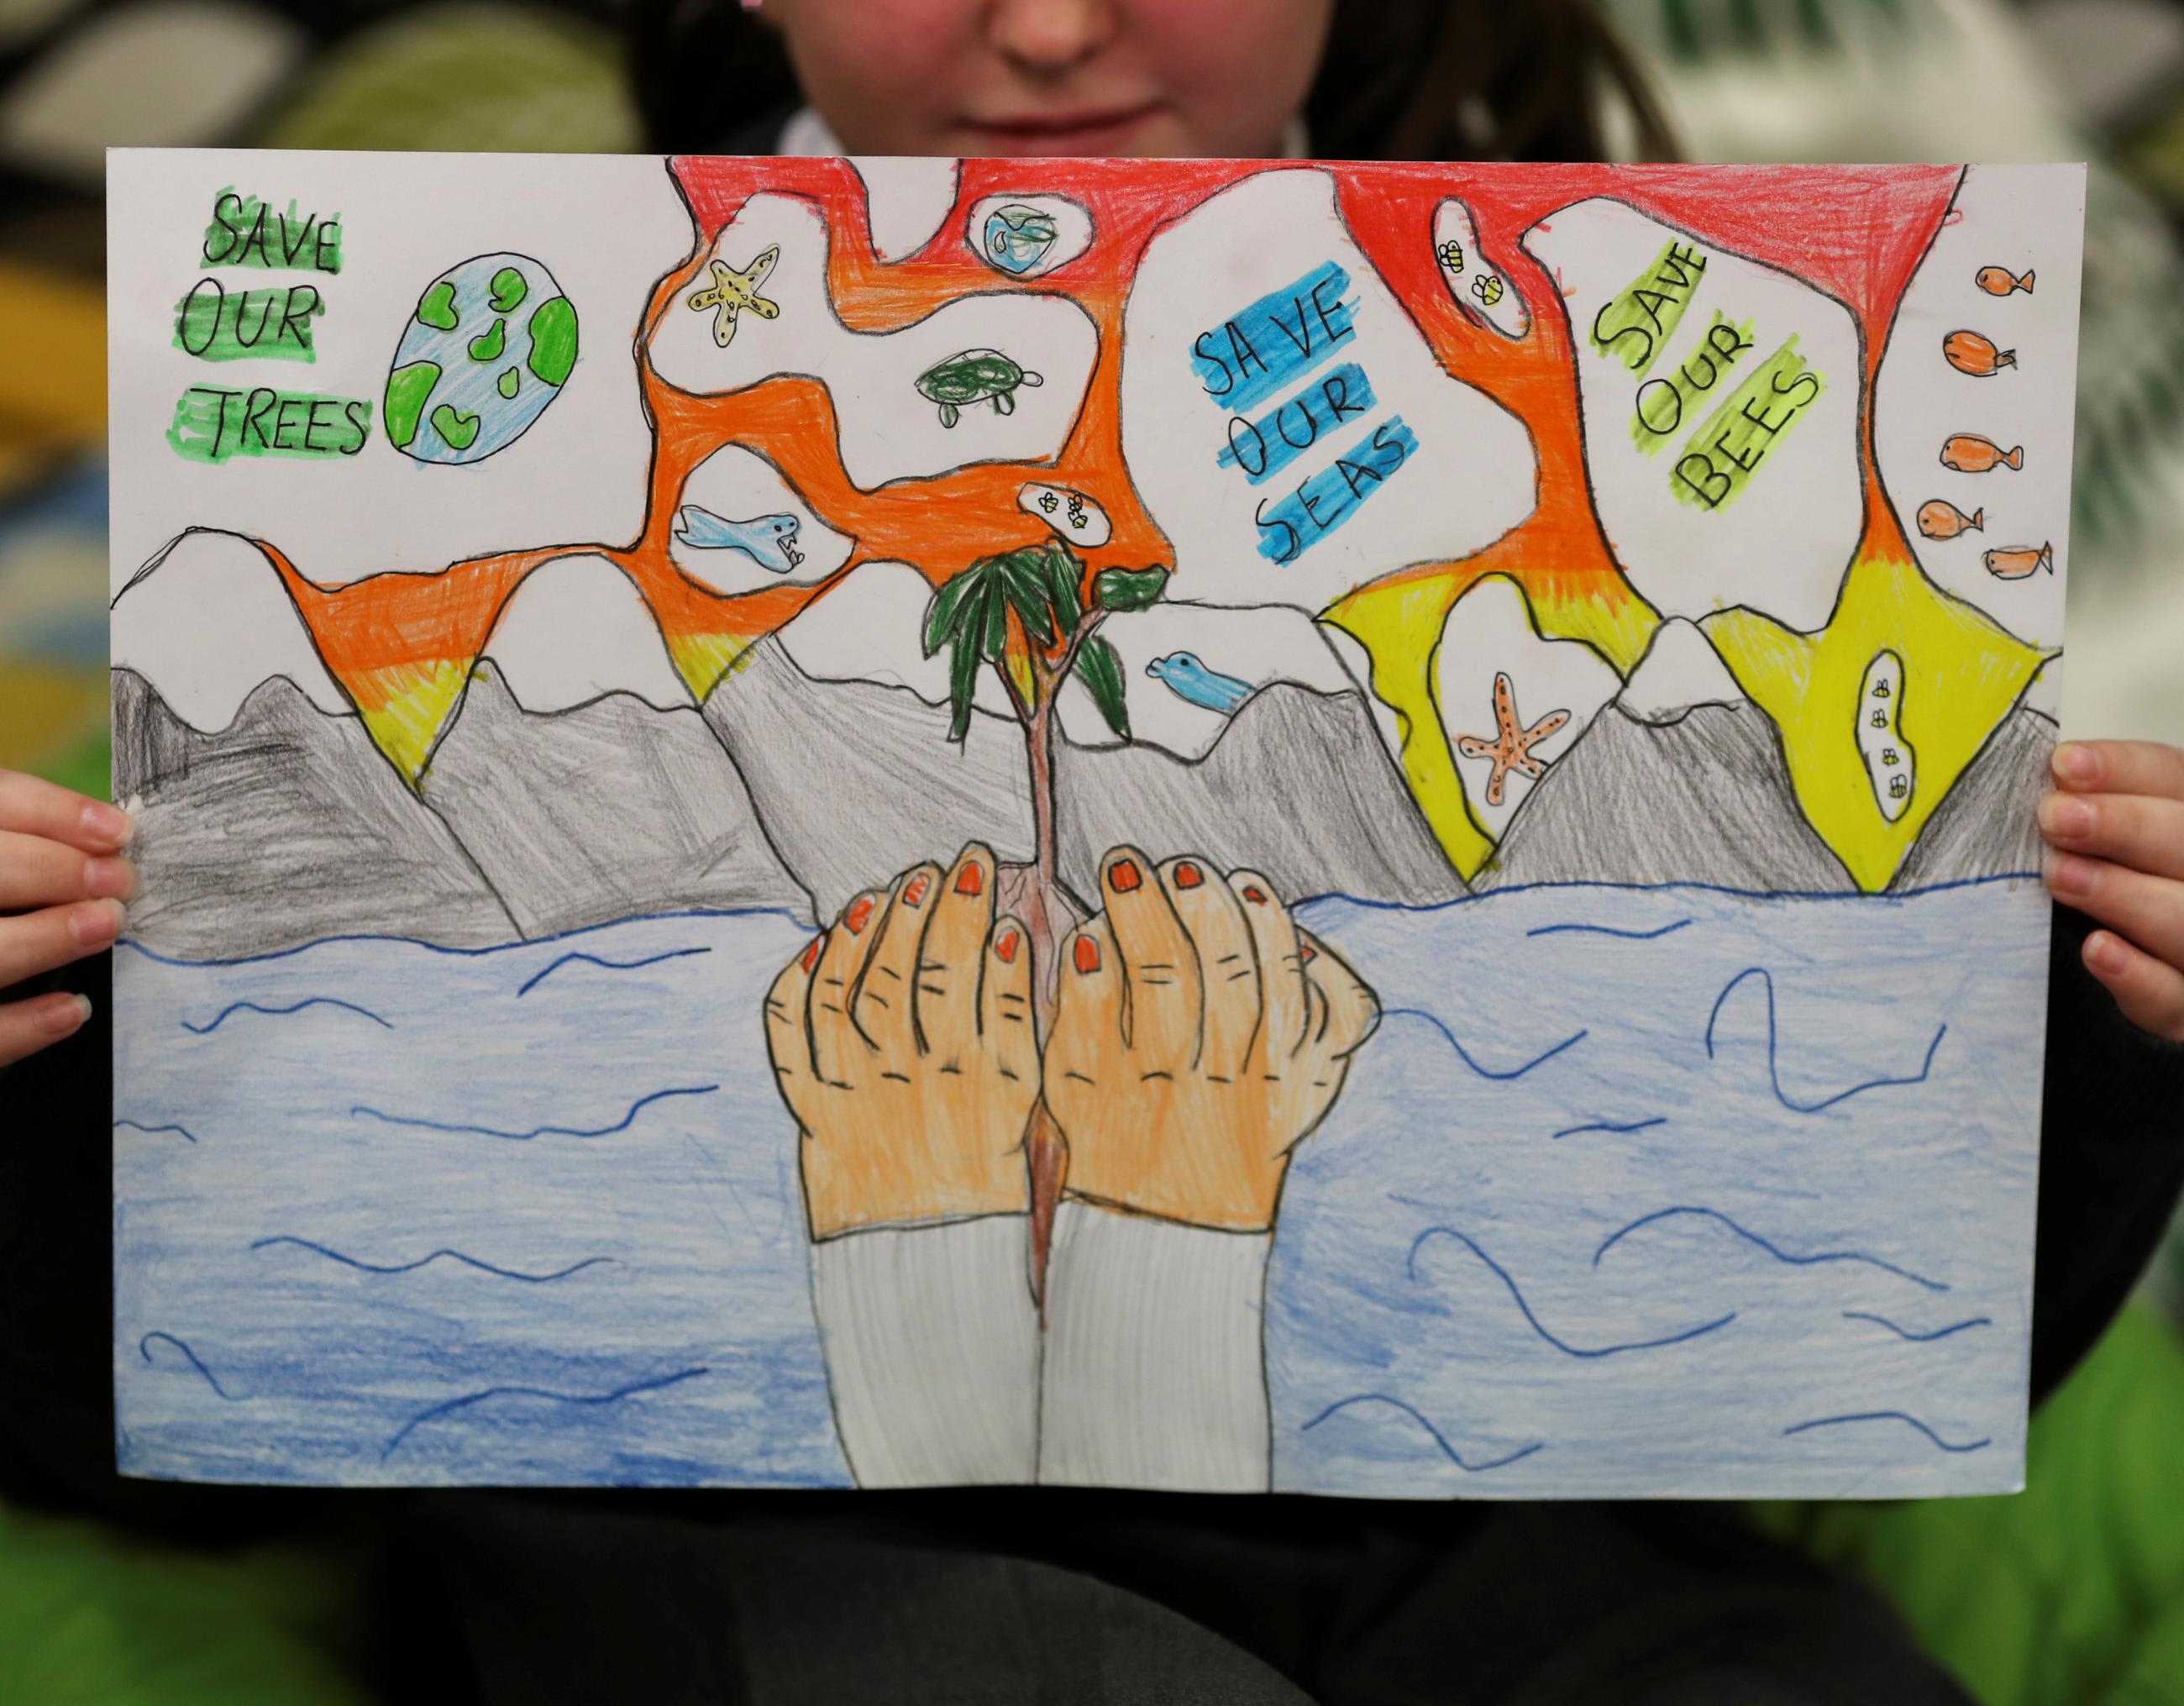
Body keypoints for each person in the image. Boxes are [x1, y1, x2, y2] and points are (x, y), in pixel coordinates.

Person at [8, 2, 2183, 1699]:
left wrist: (2111, 1027)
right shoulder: (465, 396)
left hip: (1555, 1587)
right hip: (739, 1595)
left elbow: (1877, 1342)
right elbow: (165, 1424)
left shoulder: (1568, 344)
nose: (1046, 31)